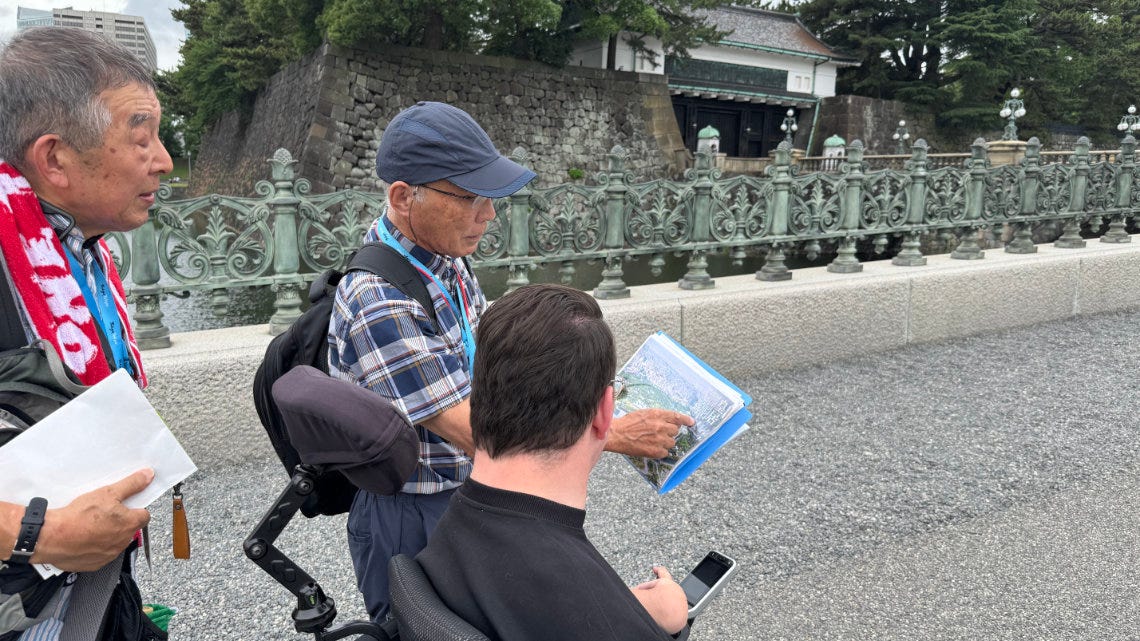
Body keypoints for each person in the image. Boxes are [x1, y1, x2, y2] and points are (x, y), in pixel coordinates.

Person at [328, 101, 694, 620]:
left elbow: (493, 360)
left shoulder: (444, 259)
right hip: (414, 507)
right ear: (404, 197)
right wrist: (609, 432)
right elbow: (468, 429)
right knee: (430, 629)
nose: (489, 213)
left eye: (491, 196)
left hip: (469, 489)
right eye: (471, 196)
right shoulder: (378, 299)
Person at [0, 27, 172, 638]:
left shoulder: (79, 249)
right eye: (141, 136)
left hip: (86, 589)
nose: (164, 160)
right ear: (53, 158)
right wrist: (34, 531)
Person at [417, 284, 689, 640]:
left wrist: (622, 608)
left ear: (481, 393)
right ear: (605, 411)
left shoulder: (451, 527)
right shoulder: (592, 608)